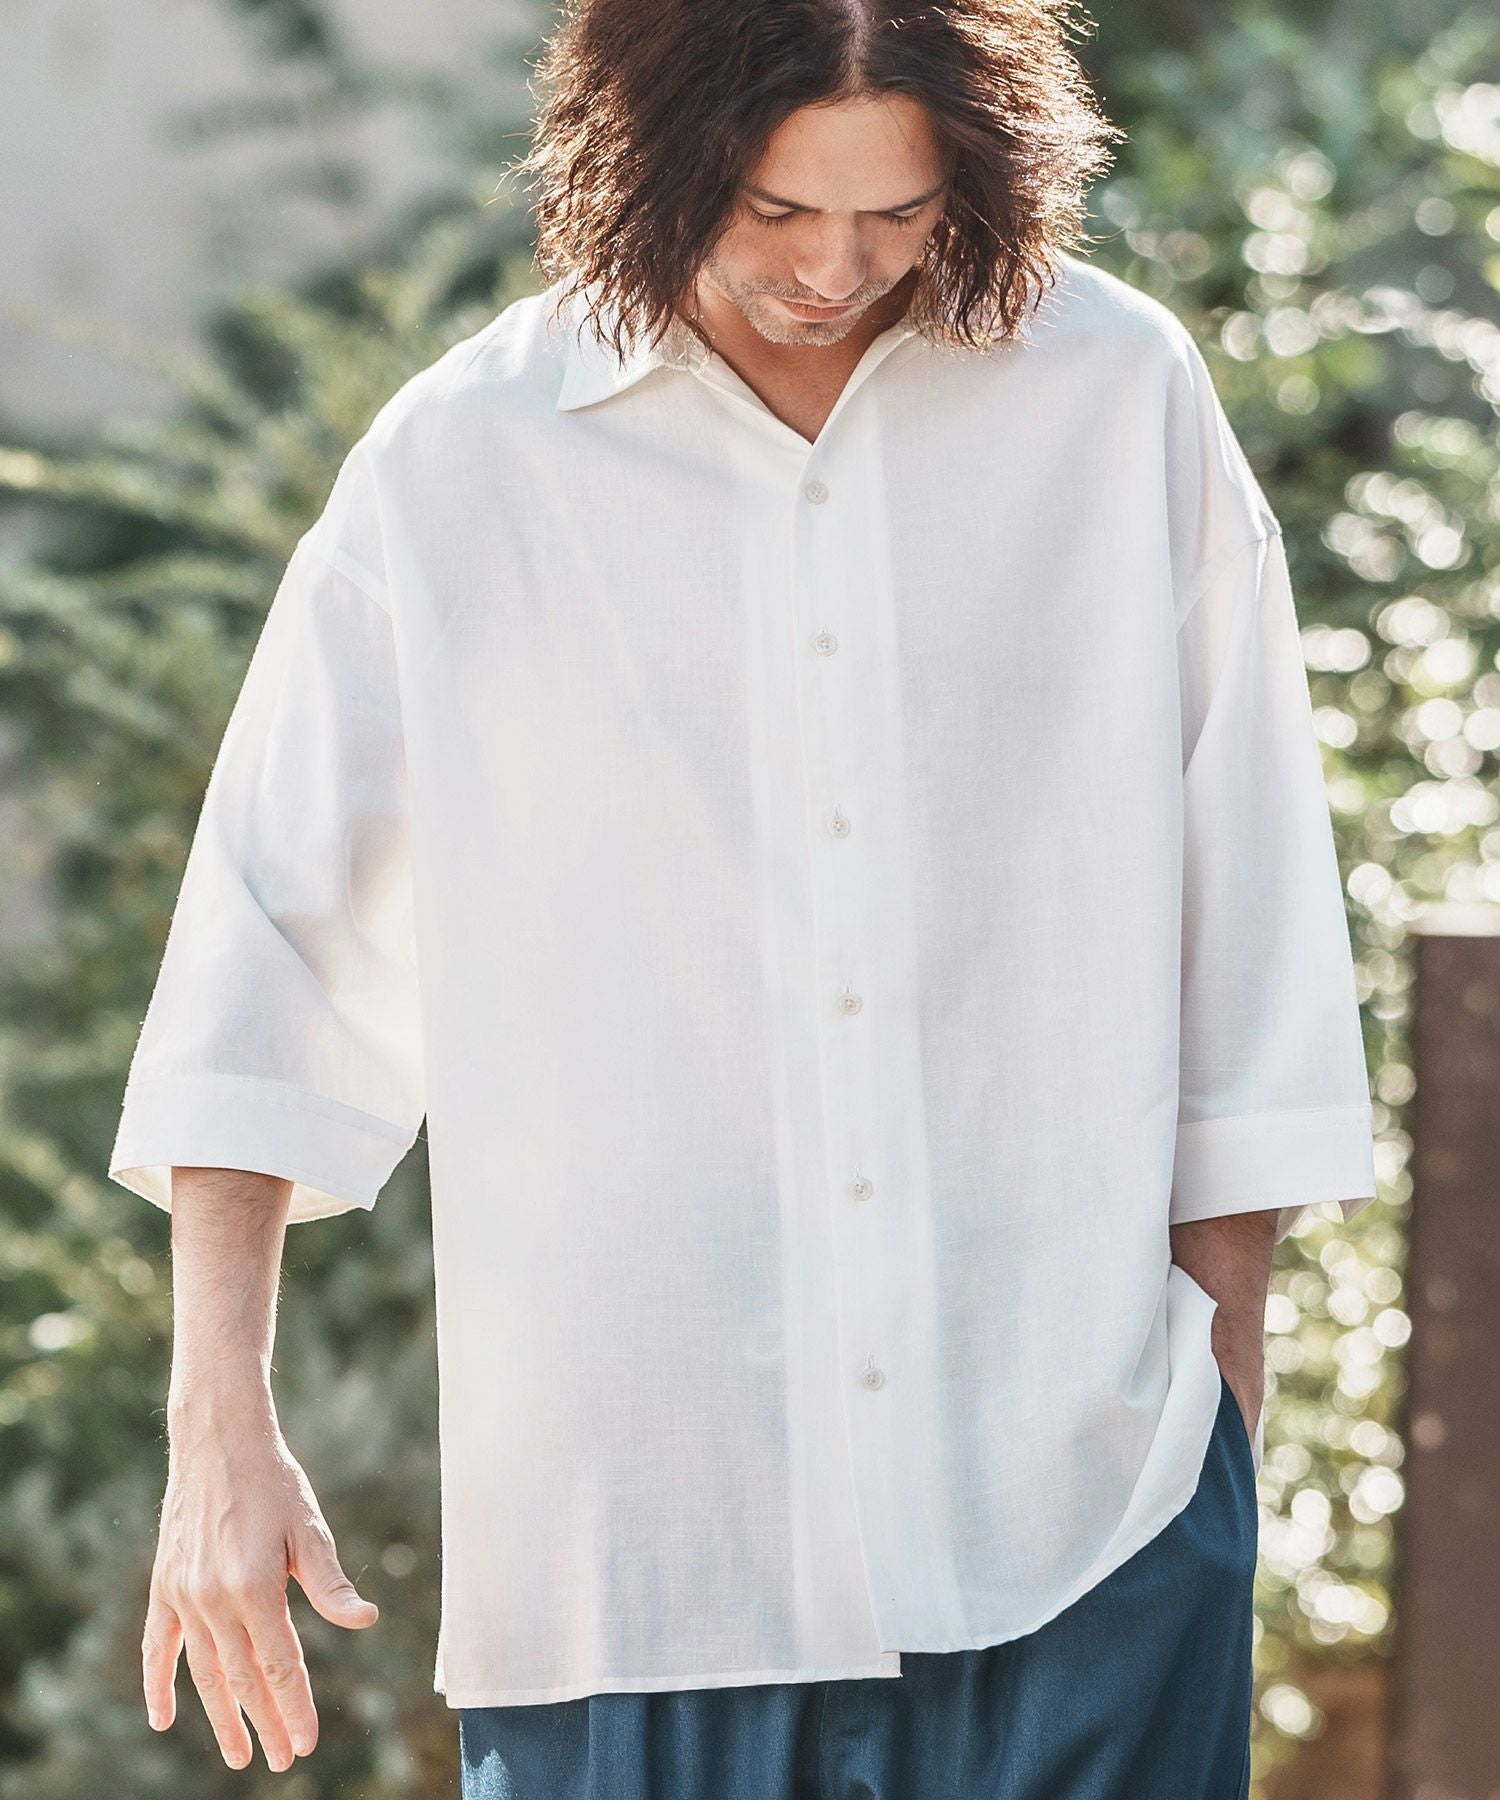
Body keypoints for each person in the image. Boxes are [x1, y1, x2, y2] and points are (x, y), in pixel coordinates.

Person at [109, 1, 1379, 1794]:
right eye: (778, 211)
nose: (837, 270)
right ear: (651, 155)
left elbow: (1243, 912)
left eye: (898, 214)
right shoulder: (465, 459)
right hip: (640, 1555)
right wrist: (215, 1431)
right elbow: (270, 949)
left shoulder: (1116, 397)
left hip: (1086, 1524)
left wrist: (1214, 1422)